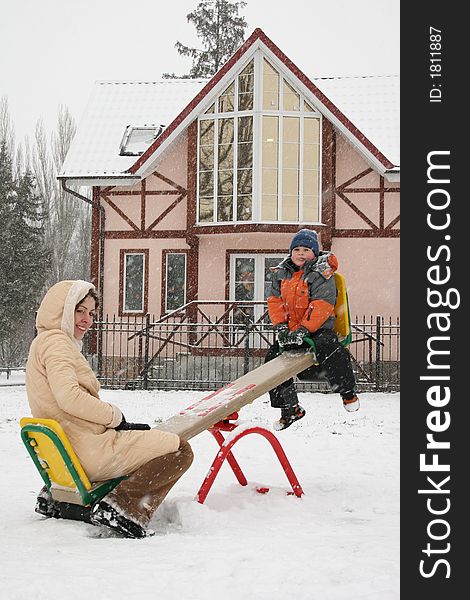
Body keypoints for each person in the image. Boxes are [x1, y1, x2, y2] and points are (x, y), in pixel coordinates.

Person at [25, 280, 193, 538]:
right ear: (62, 310)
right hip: (89, 450)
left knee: (149, 441)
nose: (87, 319)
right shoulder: (57, 344)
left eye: (91, 313)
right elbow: (68, 396)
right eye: (80, 310)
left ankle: (73, 498)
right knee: (180, 449)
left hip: (71, 448)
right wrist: (114, 416)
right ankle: (123, 507)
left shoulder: (44, 342)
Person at [266, 229, 359, 430]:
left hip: (318, 328)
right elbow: (275, 302)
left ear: (315, 253)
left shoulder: (321, 274)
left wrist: (305, 330)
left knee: (329, 347)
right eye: (296, 249)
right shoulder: (281, 274)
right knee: (272, 357)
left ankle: (347, 392)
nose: (300, 253)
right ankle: (290, 408)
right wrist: (282, 327)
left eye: (306, 250)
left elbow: (321, 305)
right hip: (292, 331)